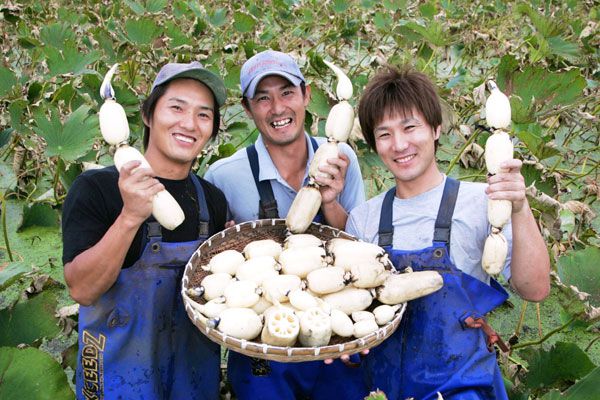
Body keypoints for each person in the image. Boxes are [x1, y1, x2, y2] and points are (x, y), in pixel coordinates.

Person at [345, 66, 551, 399]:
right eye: (384, 134)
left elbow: (536, 288)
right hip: (379, 388)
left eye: (410, 127)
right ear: (374, 144)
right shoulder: (362, 220)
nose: (399, 144)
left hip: (461, 386)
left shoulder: (483, 201)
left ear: (436, 128)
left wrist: (520, 207)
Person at [204, 50, 368, 400]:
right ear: (248, 110)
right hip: (262, 341)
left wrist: (330, 201)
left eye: (287, 92)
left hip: (333, 334)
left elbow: (360, 252)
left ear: (307, 95)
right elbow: (214, 271)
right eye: (263, 98)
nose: (278, 108)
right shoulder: (223, 176)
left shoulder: (342, 158)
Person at [62, 61, 228, 400]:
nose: (189, 124)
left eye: (203, 114)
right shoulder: (97, 188)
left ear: (212, 129)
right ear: (149, 116)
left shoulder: (212, 200)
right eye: (176, 108)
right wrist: (129, 216)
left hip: (193, 379)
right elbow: (82, 289)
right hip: (117, 379)